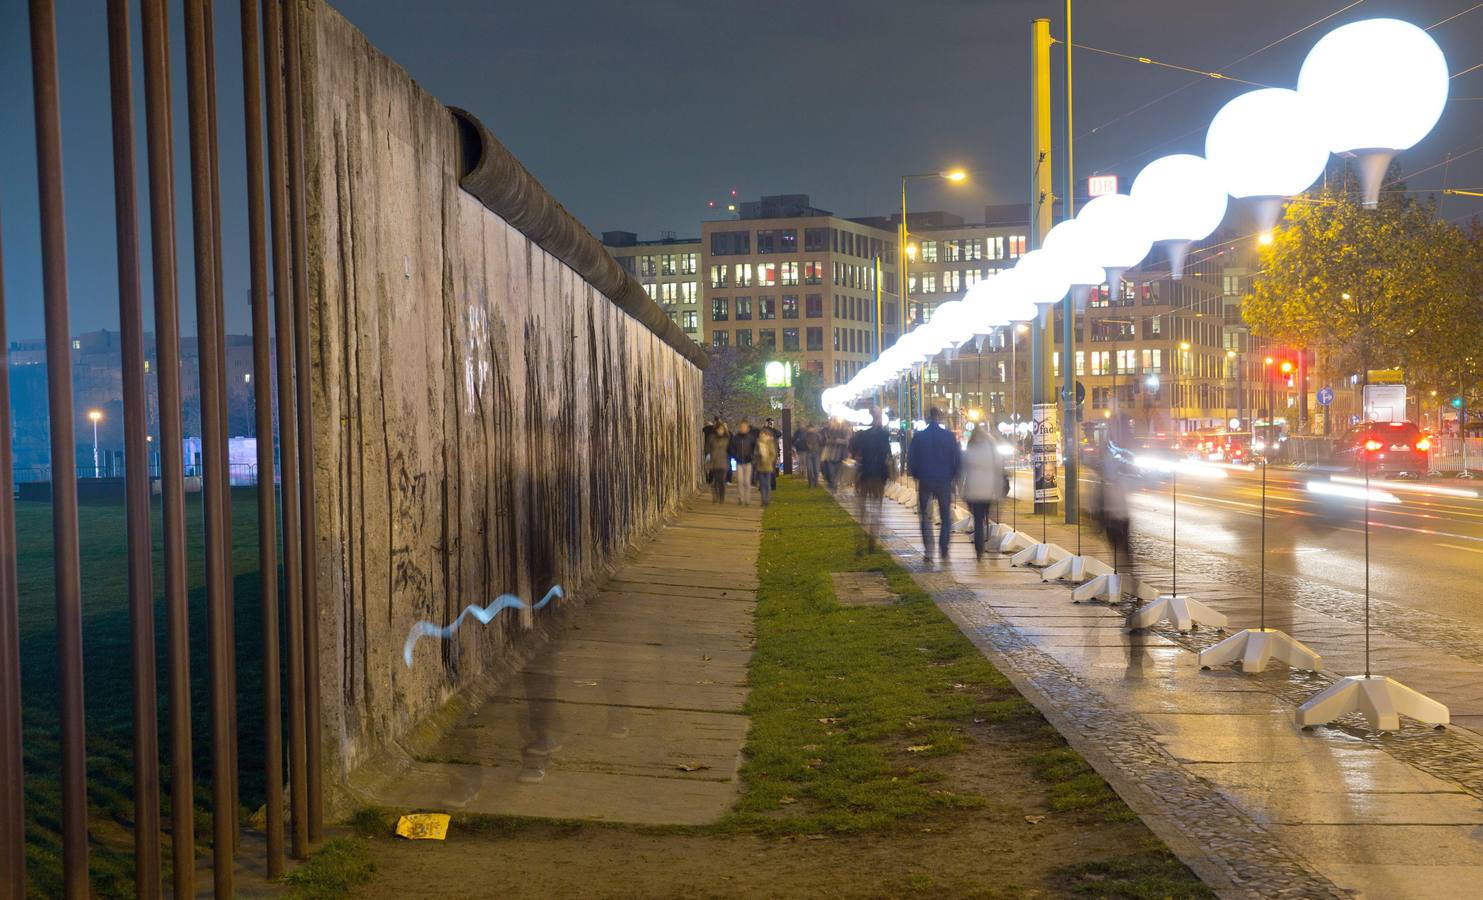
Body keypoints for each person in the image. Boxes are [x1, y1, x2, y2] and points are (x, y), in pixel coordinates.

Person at [907, 407, 961, 563]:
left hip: (925, 480)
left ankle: (929, 550)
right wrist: (953, 476)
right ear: (940, 417)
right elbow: (957, 457)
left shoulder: (919, 437)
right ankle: (943, 548)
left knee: (925, 516)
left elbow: (912, 459)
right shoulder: (949, 437)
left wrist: (917, 475)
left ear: (927, 417)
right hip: (944, 480)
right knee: (945, 516)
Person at [960, 426, 1007, 560]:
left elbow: (963, 468)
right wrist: (998, 490)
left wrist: (961, 487)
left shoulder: (970, 445)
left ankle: (979, 549)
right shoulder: (991, 443)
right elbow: (998, 466)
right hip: (988, 488)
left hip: (973, 489)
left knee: (978, 520)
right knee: (988, 518)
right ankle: (990, 542)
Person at [849, 407, 892, 552]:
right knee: (876, 509)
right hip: (878, 476)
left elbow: (854, 454)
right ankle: (872, 539)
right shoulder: (884, 435)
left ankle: (860, 540)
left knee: (861, 510)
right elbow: (888, 455)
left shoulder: (862, 436)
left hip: (864, 475)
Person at [728, 420, 759, 506]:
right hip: (739, 462)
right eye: (742, 427)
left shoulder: (751, 438)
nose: (743, 428)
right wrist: (735, 456)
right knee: (740, 481)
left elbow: (755, 448)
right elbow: (731, 448)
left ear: (747, 428)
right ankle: (741, 498)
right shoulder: (736, 438)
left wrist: (752, 457)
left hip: (748, 462)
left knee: (747, 482)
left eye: (745, 427)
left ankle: (747, 499)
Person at [705, 420, 731, 503]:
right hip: (714, 462)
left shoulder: (727, 438)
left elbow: (730, 449)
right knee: (715, 481)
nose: (720, 431)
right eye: (719, 429)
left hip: (723, 462)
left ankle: (722, 497)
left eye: (721, 429)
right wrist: (710, 453)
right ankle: (715, 496)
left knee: (722, 481)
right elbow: (707, 448)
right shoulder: (712, 438)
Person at [755, 425, 779, 507]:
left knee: (767, 484)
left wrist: (769, 460)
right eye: (762, 434)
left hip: (768, 466)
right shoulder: (758, 443)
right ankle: (763, 500)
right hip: (760, 466)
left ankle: (767, 500)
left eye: (764, 434)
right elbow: (755, 454)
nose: (763, 436)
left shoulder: (770, 443)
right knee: (762, 484)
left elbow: (773, 454)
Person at [794, 423, 822, 487]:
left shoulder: (818, 436)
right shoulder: (805, 436)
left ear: (814, 429)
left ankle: (816, 483)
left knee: (816, 469)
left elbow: (822, 443)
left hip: (816, 454)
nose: (810, 429)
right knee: (809, 469)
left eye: (811, 428)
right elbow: (801, 443)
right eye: (809, 428)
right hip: (808, 454)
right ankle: (810, 483)